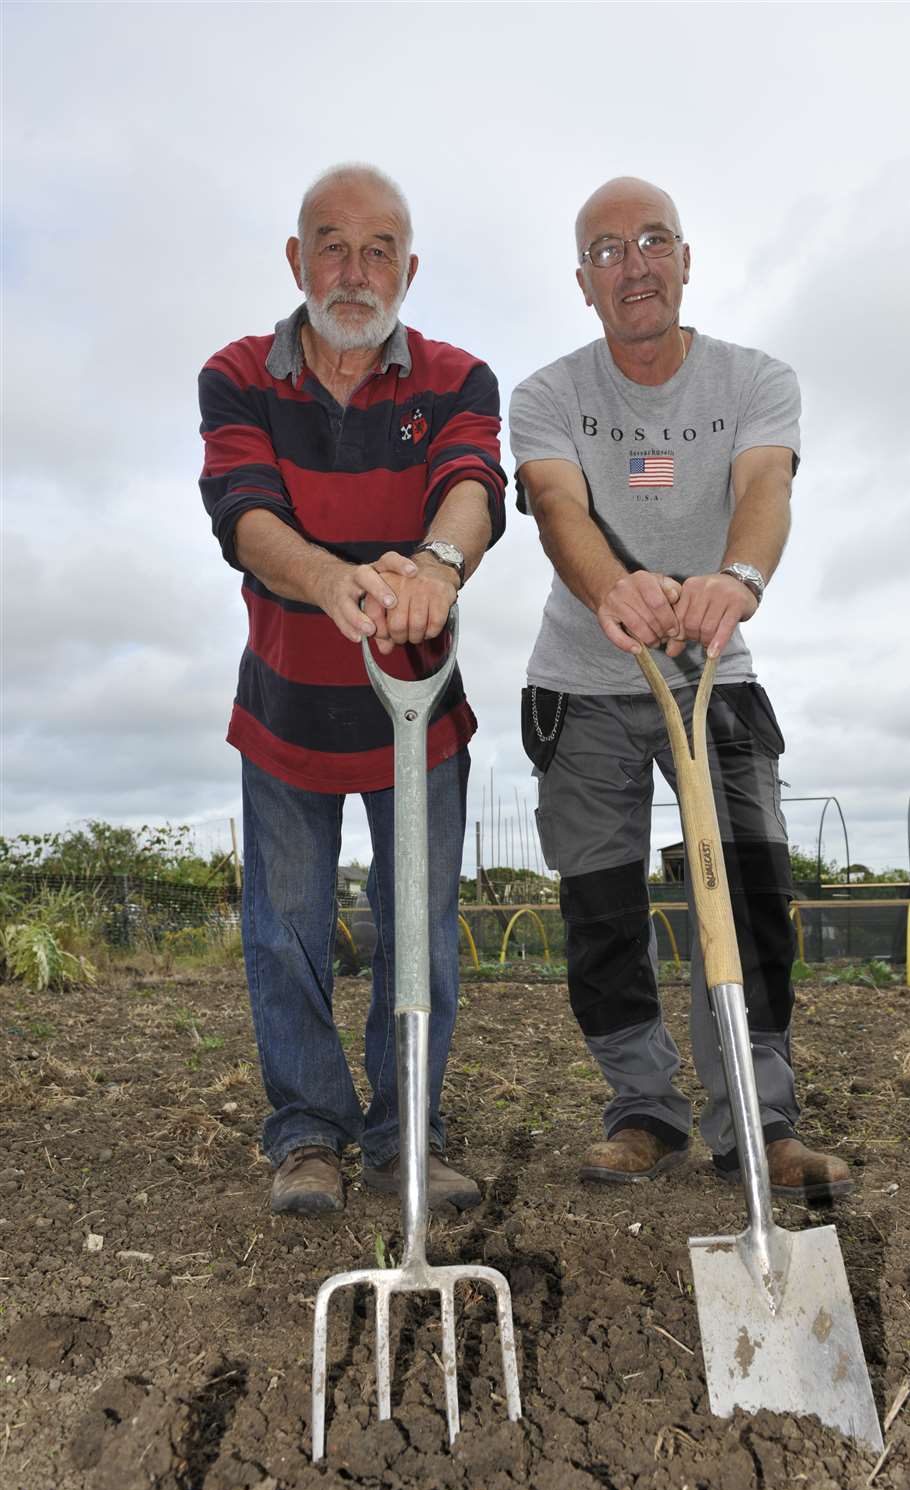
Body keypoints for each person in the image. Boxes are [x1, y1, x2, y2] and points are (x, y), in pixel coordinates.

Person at [509, 176, 852, 1202]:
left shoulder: (754, 380)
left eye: (654, 240)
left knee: (748, 897)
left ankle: (759, 1119)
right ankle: (644, 1112)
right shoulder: (546, 397)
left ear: (688, 259)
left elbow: (764, 487)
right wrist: (615, 589)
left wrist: (733, 582)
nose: (635, 263)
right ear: (584, 283)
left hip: (716, 671)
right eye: (608, 250)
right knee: (604, 910)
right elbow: (558, 504)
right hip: (584, 679)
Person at [198, 164, 505, 1216]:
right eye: (333, 244)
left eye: (381, 250)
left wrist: (435, 569)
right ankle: (309, 1135)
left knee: (418, 930)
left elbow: (474, 486)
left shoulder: (458, 378)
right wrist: (333, 581)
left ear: (409, 270)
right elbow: (243, 510)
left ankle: (404, 1136)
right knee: (285, 929)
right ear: (297, 260)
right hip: (287, 709)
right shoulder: (239, 375)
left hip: (415, 713)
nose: (356, 269)